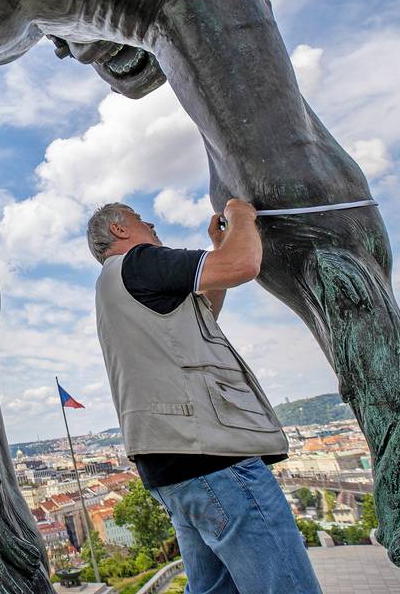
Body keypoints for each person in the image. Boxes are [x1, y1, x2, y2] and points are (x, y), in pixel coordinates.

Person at [87, 200, 321, 592]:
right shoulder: (141, 261)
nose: (151, 223)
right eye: (139, 219)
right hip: (213, 457)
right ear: (119, 230)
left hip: (173, 467)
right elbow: (242, 264)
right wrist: (241, 214)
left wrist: (219, 247)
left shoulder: (116, 285)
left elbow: (203, 311)